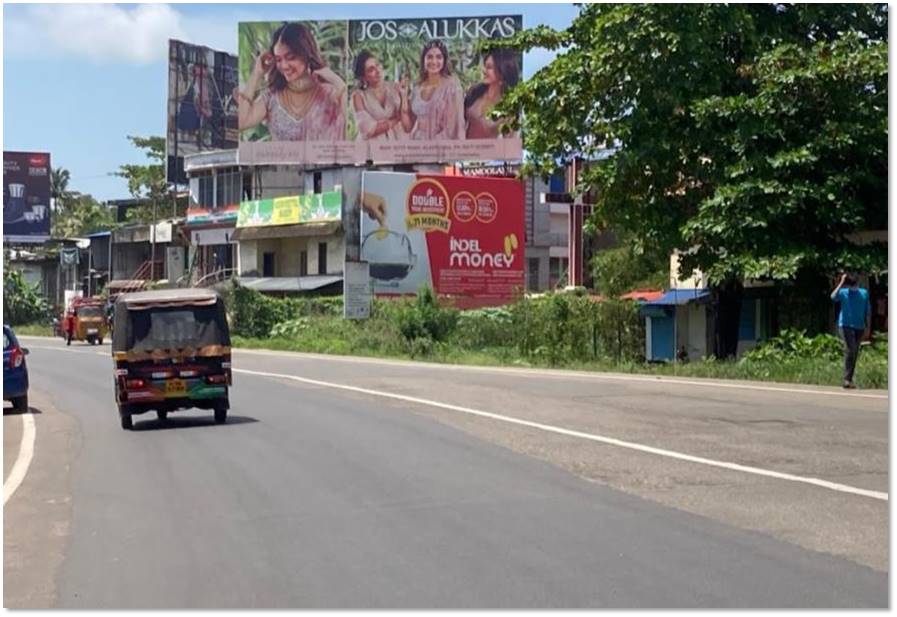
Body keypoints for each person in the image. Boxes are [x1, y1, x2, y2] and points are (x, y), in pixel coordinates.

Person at [236, 22, 346, 141]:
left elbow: (350, 135)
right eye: (278, 59)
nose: (284, 66)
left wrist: (338, 82)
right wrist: (257, 73)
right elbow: (241, 122)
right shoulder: (272, 96)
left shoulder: (330, 93)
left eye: (290, 57)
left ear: (306, 54)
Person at [400, 40, 465, 140]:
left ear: (444, 60)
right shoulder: (418, 87)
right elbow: (408, 128)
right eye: (429, 57)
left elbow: (454, 127)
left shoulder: (452, 86)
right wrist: (404, 96)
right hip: (416, 143)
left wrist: (432, 146)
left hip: (440, 146)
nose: (434, 61)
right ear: (424, 60)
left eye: (439, 57)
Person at [351, 50, 408, 142]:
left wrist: (404, 95)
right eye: (371, 69)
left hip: (398, 141)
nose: (377, 71)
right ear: (363, 77)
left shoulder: (396, 88)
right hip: (371, 147)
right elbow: (368, 130)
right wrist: (396, 119)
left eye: (377, 65)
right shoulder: (359, 96)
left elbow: (407, 119)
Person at [464, 48, 520, 139]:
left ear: (502, 72)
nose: (484, 70)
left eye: (489, 67)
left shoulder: (509, 108)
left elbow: (510, 145)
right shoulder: (474, 91)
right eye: (485, 66)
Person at [831, 272, 871, 389]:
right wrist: (841, 283)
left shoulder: (864, 293)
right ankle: (847, 379)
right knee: (851, 350)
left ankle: (849, 379)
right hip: (845, 325)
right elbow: (833, 297)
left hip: (859, 326)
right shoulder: (843, 293)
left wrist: (867, 327)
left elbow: (867, 311)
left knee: (854, 352)